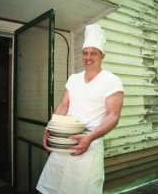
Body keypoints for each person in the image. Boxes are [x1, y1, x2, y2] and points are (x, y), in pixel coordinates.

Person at [36, 24, 124, 194]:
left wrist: (89, 138)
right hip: (64, 142)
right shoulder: (74, 79)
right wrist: (50, 128)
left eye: (93, 53)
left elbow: (113, 116)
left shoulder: (111, 81)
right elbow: (63, 106)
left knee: (81, 188)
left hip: (88, 145)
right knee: (53, 187)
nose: (88, 57)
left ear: (102, 56)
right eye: (85, 52)